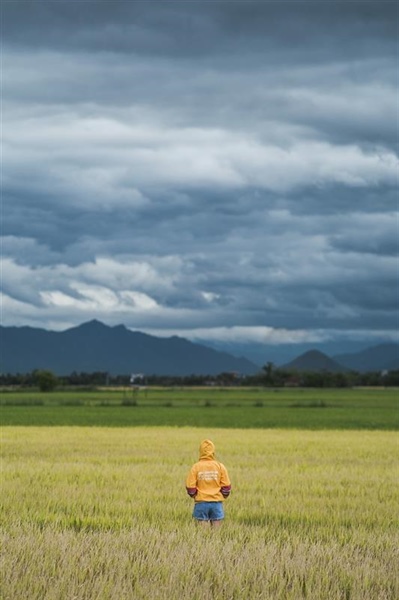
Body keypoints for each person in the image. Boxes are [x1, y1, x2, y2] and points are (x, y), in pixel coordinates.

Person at [185, 439, 231, 528]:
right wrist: (221, 495)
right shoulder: (220, 466)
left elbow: (190, 488)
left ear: (200, 451)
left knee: (203, 535)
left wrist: (195, 495)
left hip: (201, 503)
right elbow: (226, 487)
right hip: (216, 503)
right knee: (216, 533)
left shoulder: (196, 467)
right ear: (213, 451)